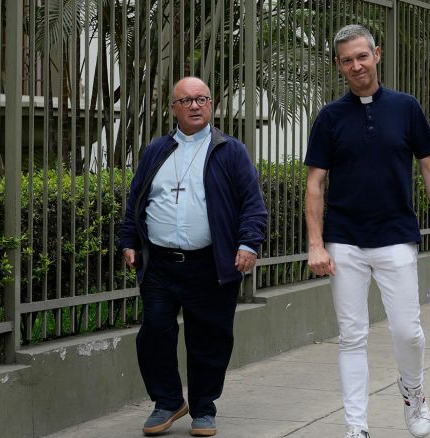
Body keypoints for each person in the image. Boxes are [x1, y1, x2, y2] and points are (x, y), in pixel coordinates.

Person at [305, 25, 430, 438]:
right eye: (347, 60)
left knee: (408, 331)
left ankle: (413, 392)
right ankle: (356, 426)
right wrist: (316, 244)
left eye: (362, 56)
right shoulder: (329, 117)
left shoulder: (406, 108)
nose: (356, 66)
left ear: (377, 55)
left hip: (395, 237)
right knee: (352, 336)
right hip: (345, 240)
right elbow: (315, 183)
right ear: (339, 66)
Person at [120, 76, 267, 437]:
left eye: (202, 98)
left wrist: (248, 244)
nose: (195, 105)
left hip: (209, 263)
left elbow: (252, 204)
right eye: (186, 101)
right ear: (173, 109)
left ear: (211, 104)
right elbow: (136, 199)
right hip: (160, 264)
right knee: (154, 332)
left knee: (209, 338)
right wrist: (128, 240)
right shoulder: (155, 150)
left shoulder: (229, 150)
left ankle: (203, 407)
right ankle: (168, 401)